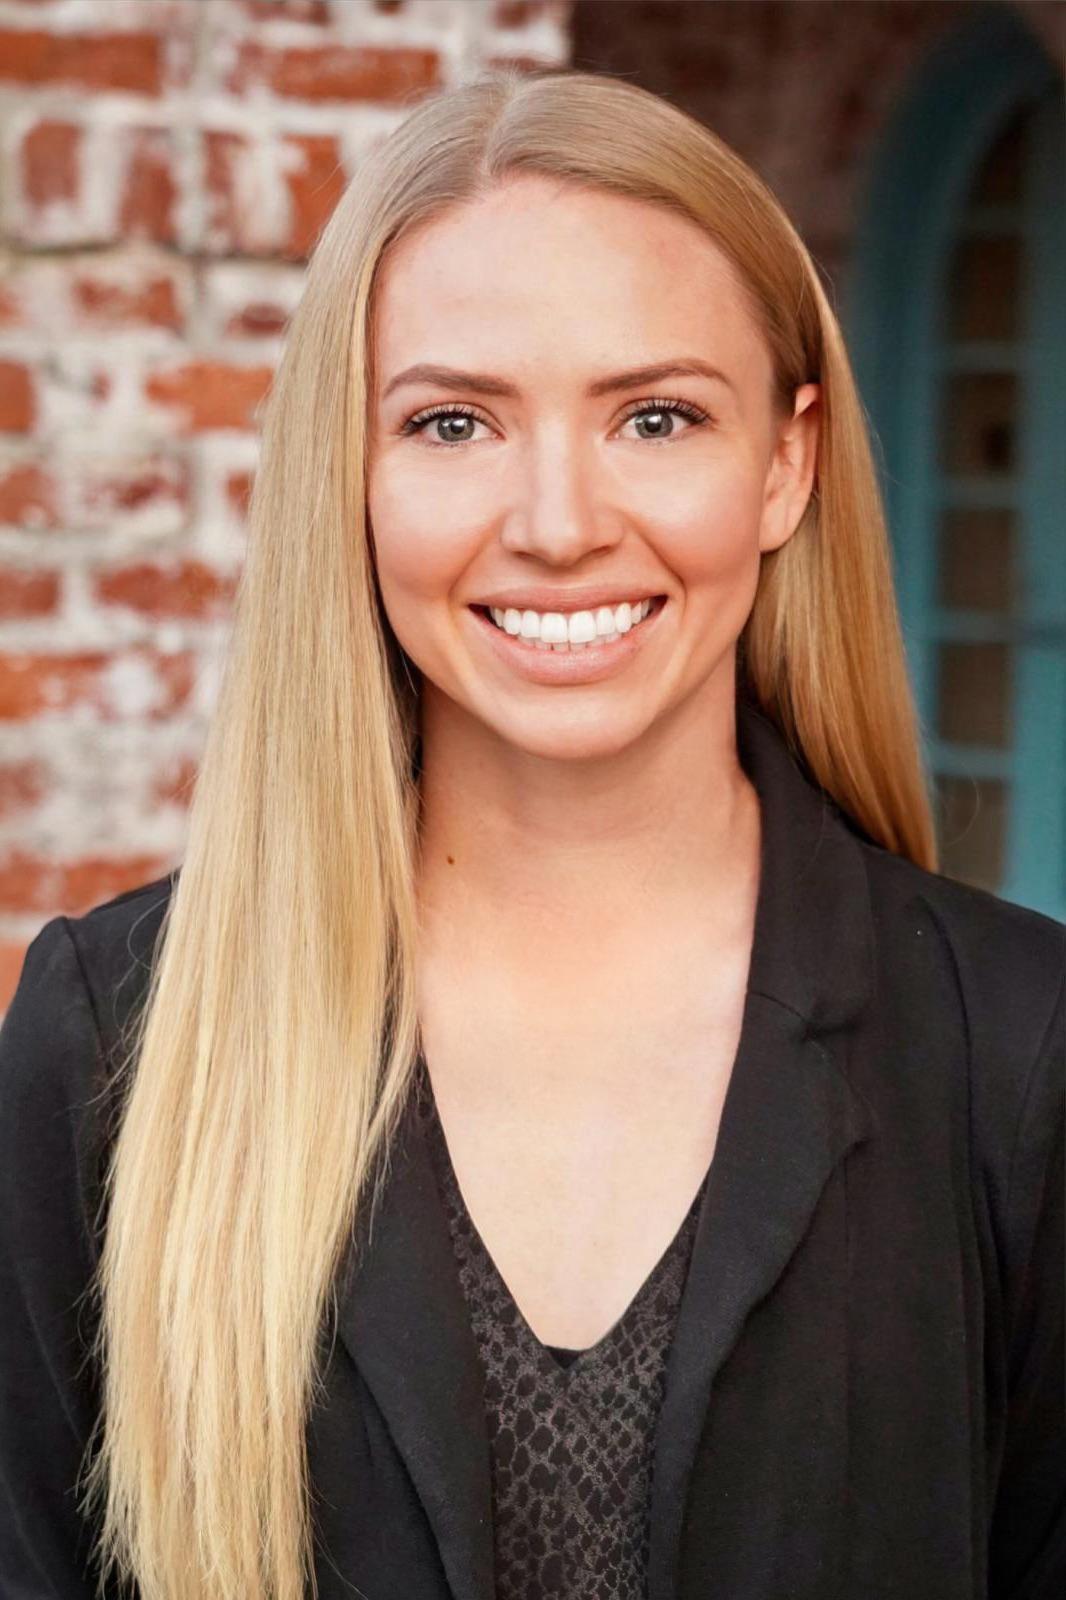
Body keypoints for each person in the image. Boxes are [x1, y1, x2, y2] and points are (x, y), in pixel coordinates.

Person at [0, 65, 1062, 1600]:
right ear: (347, 476)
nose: (558, 520)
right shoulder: (114, 1042)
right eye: (450, 423)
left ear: (785, 461)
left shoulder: (1014, 1056)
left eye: (654, 415)